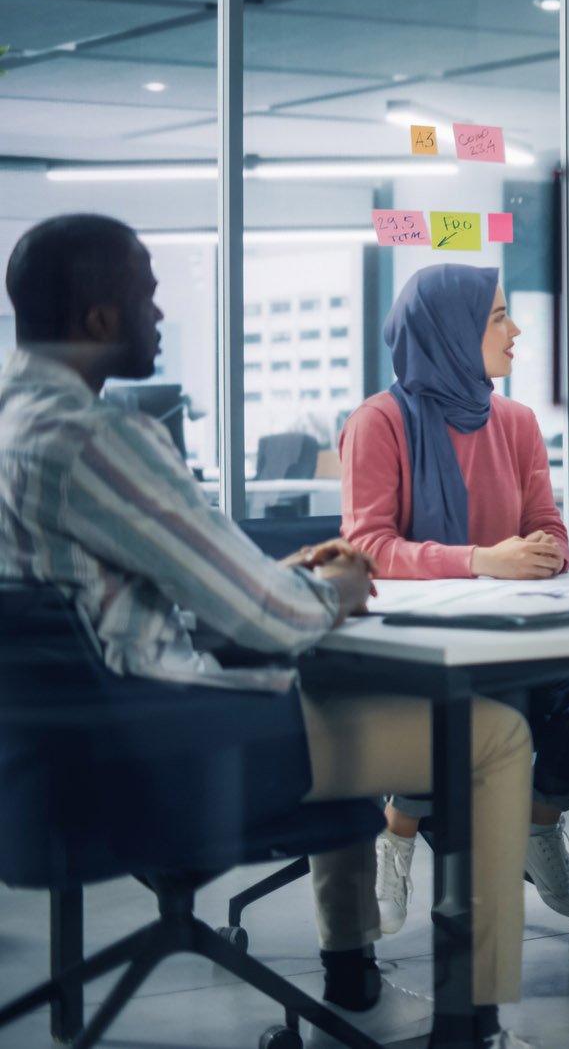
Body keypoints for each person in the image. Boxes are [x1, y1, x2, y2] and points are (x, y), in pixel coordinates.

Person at [0, 215, 535, 1049]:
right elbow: (270, 619)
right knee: (493, 736)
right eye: (147, 295)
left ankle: (353, 980)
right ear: (100, 317)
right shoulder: (98, 438)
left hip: (41, 763)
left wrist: (282, 579)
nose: (161, 315)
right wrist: (336, 587)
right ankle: (472, 1025)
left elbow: (97, 603)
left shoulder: (11, 429)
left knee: (341, 684)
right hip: (164, 755)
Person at [340, 264, 569, 935]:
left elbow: (547, 523)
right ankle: (398, 832)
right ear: (449, 331)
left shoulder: (517, 421)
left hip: (512, 631)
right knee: (465, 698)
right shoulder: (377, 423)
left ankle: (539, 824)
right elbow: (368, 548)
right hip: (414, 646)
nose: (515, 329)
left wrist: (547, 550)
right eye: (498, 317)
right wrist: (481, 561)